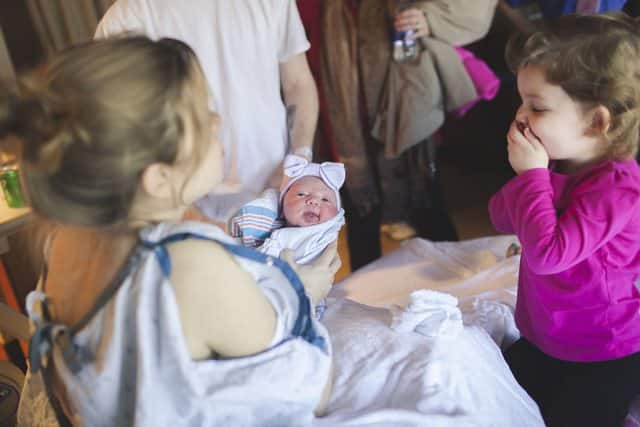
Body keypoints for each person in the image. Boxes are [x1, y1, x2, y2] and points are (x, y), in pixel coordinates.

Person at [3, 36, 339, 426]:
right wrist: (303, 295)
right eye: (203, 117)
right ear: (159, 178)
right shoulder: (186, 264)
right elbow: (310, 394)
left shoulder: (64, 242)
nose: (218, 122)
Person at [488, 13, 640, 426]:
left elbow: (548, 255)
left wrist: (534, 176)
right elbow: (500, 216)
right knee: (491, 398)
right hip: (545, 338)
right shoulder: (559, 163)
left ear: (598, 121)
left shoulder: (617, 187)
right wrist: (532, 175)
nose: (521, 116)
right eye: (522, 101)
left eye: (536, 106)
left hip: (601, 351)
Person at [298, 0, 498, 269]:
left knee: (426, 206)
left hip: (405, 109)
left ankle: (459, 294)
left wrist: (432, 17)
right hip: (342, 118)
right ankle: (366, 302)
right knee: (361, 215)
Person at [96, 0, 319, 223]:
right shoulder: (125, 20)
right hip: (179, 214)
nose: (216, 122)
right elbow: (117, 131)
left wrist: (300, 156)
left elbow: (298, 83)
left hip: (275, 197)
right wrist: (184, 210)